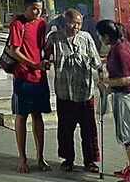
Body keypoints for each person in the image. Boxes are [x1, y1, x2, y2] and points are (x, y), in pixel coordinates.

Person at [44, 9, 102, 173]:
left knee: (89, 130)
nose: (76, 27)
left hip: (84, 92)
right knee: (65, 129)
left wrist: (103, 75)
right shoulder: (55, 38)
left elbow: (96, 62)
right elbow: (46, 55)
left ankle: (89, 161)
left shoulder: (86, 38)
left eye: (79, 23)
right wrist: (45, 60)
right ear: (64, 21)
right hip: (64, 92)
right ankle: (67, 159)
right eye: (73, 23)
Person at [96, 19, 130, 182]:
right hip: (127, 96)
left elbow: (126, 79)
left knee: (129, 138)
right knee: (129, 137)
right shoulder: (121, 45)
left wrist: (106, 83)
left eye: (100, 36)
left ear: (106, 36)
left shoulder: (121, 51)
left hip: (128, 98)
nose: (99, 39)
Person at [7, 0, 51, 173]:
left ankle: (40, 157)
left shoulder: (41, 24)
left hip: (39, 76)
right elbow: (14, 51)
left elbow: (41, 48)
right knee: (21, 116)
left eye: (39, 9)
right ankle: (22, 158)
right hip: (23, 77)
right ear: (25, 8)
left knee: (38, 116)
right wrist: (33, 64)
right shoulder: (17, 24)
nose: (37, 12)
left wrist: (47, 56)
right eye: (34, 9)